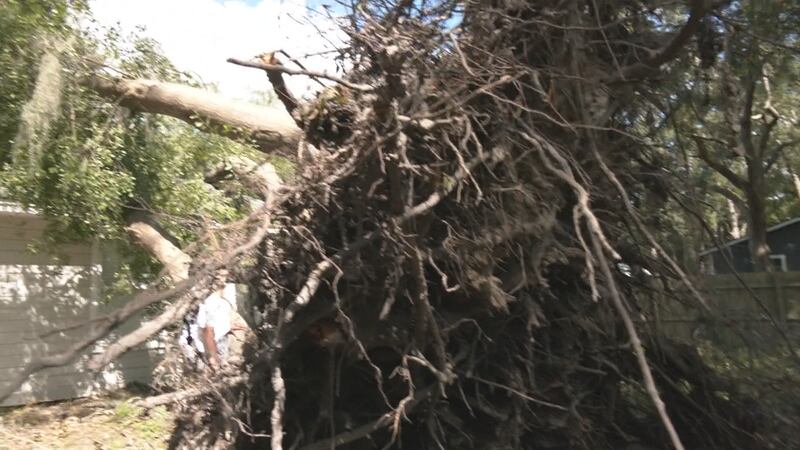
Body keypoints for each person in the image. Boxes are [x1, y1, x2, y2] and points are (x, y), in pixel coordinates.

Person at [180, 269, 236, 370]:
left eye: (225, 276)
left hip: (214, 343)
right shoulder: (209, 301)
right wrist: (213, 357)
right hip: (210, 348)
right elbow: (207, 330)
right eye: (219, 276)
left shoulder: (227, 294)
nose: (223, 279)